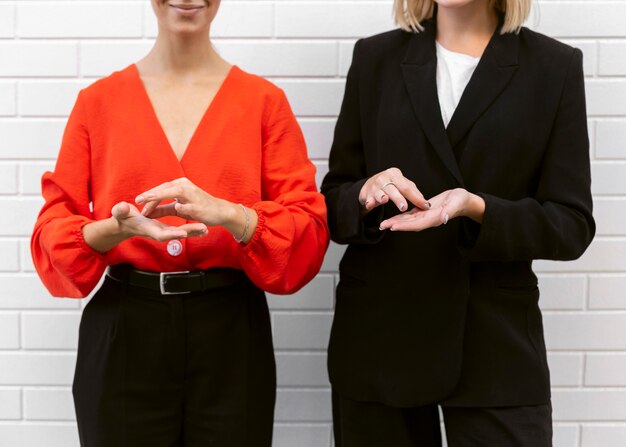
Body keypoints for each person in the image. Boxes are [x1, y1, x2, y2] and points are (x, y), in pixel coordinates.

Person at [30, 0, 329, 446]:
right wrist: (117, 228)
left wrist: (231, 214)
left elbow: (307, 233)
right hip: (125, 329)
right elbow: (52, 233)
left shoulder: (264, 103)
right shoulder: (97, 103)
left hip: (230, 330)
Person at [321, 0, 595, 444]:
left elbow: (570, 225)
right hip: (382, 338)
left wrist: (478, 208)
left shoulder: (554, 66)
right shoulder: (374, 59)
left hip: (494, 344)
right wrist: (366, 193)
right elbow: (333, 204)